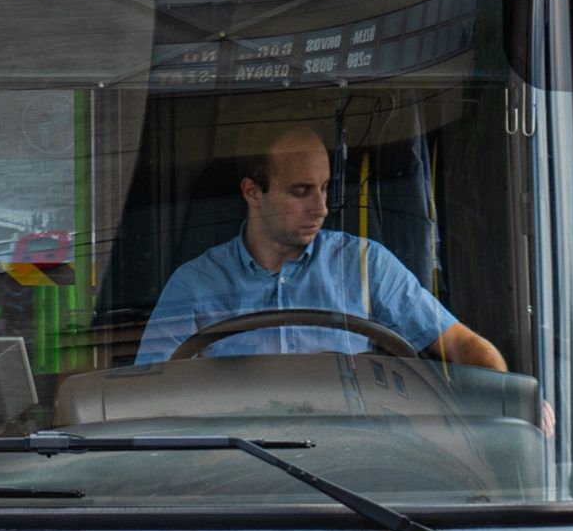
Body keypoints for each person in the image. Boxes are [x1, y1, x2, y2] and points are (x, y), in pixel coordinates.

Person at [139, 126, 510, 370]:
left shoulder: (366, 265)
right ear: (253, 193)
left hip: (355, 464)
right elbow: (149, 391)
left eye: (325, 187)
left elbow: (460, 343)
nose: (321, 208)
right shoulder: (195, 285)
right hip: (240, 468)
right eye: (301, 191)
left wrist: (509, 396)